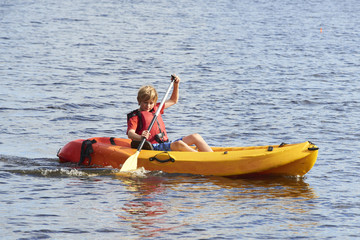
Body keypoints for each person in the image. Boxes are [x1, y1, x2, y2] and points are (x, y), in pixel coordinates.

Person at [127, 74, 213, 152]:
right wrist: (140, 137)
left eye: (151, 103)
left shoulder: (157, 108)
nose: (148, 106)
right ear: (139, 101)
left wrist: (176, 85)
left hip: (164, 143)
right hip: (152, 147)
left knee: (195, 136)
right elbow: (130, 133)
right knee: (178, 144)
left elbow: (173, 100)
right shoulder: (135, 116)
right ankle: (203, 159)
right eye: (145, 102)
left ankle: (212, 156)